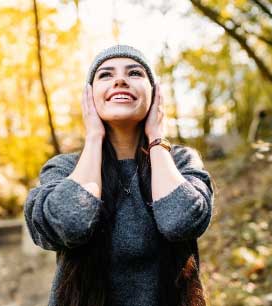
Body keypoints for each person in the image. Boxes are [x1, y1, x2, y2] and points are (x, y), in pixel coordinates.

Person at [24, 44, 214, 306]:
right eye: (106, 75)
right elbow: (70, 224)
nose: (120, 80)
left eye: (135, 73)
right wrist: (94, 137)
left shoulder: (180, 161)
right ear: (89, 97)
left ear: (155, 94)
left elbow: (179, 221)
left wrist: (157, 138)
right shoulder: (63, 169)